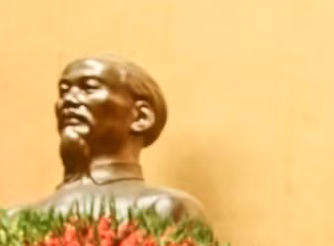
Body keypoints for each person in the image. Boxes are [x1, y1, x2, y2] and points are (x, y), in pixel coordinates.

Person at [25, 55, 206, 222]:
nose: (69, 100)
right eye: (64, 91)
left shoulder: (163, 207)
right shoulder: (19, 218)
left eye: (89, 87)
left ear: (141, 117)